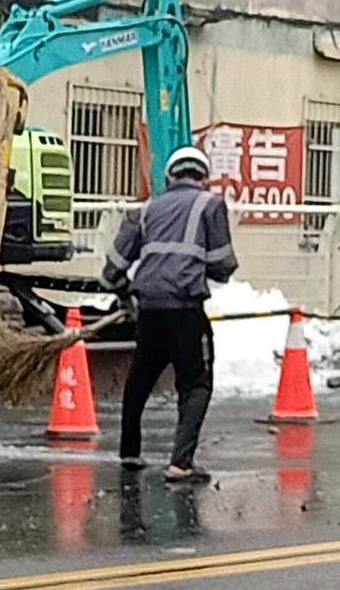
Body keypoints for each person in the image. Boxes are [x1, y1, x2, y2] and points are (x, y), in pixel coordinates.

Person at [100, 146, 238, 483]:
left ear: (169, 177)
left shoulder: (145, 211)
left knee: (140, 381)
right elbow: (223, 265)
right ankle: (180, 463)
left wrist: (124, 296)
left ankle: (130, 452)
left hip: (150, 312)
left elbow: (111, 272)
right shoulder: (211, 205)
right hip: (187, 312)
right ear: (203, 178)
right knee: (196, 384)